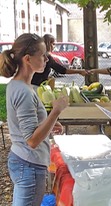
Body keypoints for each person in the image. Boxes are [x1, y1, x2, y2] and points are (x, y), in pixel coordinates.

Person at [0, 33, 69, 205]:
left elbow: (26, 126)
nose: (47, 58)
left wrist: (50, 123)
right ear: (28, 59)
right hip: (29, 164)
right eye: (43, 55)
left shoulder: (20, 86)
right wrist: (55, 111)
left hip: (24, 161)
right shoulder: (23, 91)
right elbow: (31, 140)